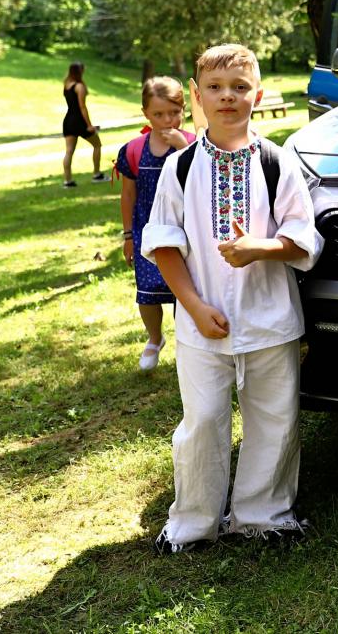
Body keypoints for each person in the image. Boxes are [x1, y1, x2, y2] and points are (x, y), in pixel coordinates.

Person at [141, 43, 323, 554]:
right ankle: (193, 522)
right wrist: (194, 308)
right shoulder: (180, 167)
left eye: (240, 87)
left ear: (257, 96)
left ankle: (264, 515)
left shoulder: (278, 163)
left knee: (274, 420)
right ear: (196, 96)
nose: (227, 97)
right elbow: (164, 244)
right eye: (215, 88)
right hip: (201, 322)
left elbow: (303, 237)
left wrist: (260, 247)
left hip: (270, 320)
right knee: (201, 422)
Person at [116, 77, 195, 371]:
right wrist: (127, 236)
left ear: (184, 109)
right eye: (158, 114)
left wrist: (183, 149)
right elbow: (128, 194)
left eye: (174, 113)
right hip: (146, 232)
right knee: (148, 292)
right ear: (145, 113)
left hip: (185, 230)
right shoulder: (134, 150)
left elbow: (200, 182)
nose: (167, 120)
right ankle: (154, 338)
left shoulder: (195, 144)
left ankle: (188, 344)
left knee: (183, 292)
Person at [61, 61, 106, 187]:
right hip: (78, 120)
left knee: (69, 151)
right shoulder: (79, 86)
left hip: (68, 121)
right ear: (79, 71)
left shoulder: (66, 85)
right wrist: (89, 125)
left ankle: (68, 181)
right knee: (97, 145)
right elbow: (82, 107)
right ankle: (97, 174)